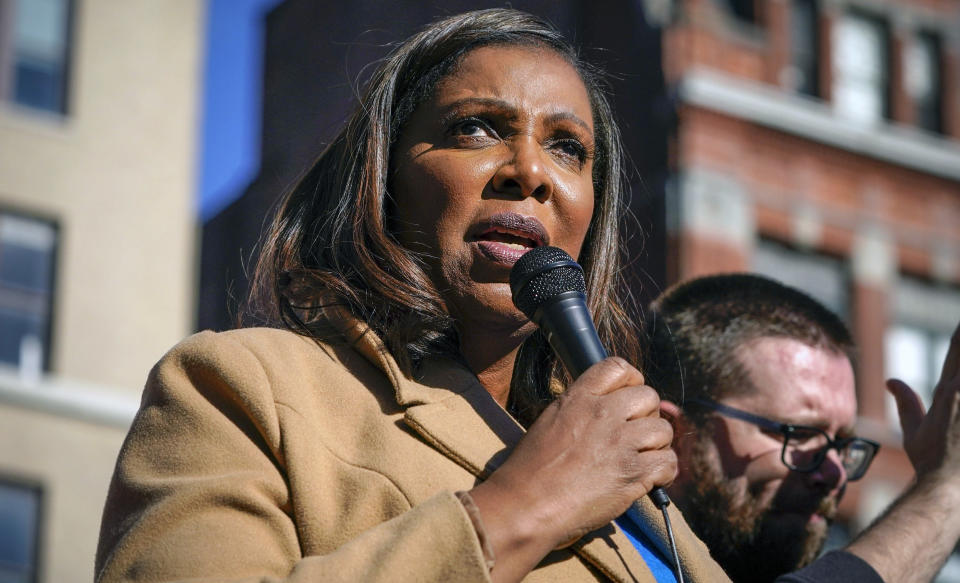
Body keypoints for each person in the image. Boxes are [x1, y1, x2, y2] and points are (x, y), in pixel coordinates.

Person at [95, 9, 728, 583]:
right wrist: (534, 499)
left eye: (567, 147)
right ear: (382, 177)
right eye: (477, 128)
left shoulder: (632, 469)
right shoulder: (239, 387)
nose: (530, 171)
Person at [643, 273, 960, 583]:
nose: (835, 473)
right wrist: (945, 489)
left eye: (841, 444)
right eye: (799, 434)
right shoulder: (605, 553)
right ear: (672, 438)